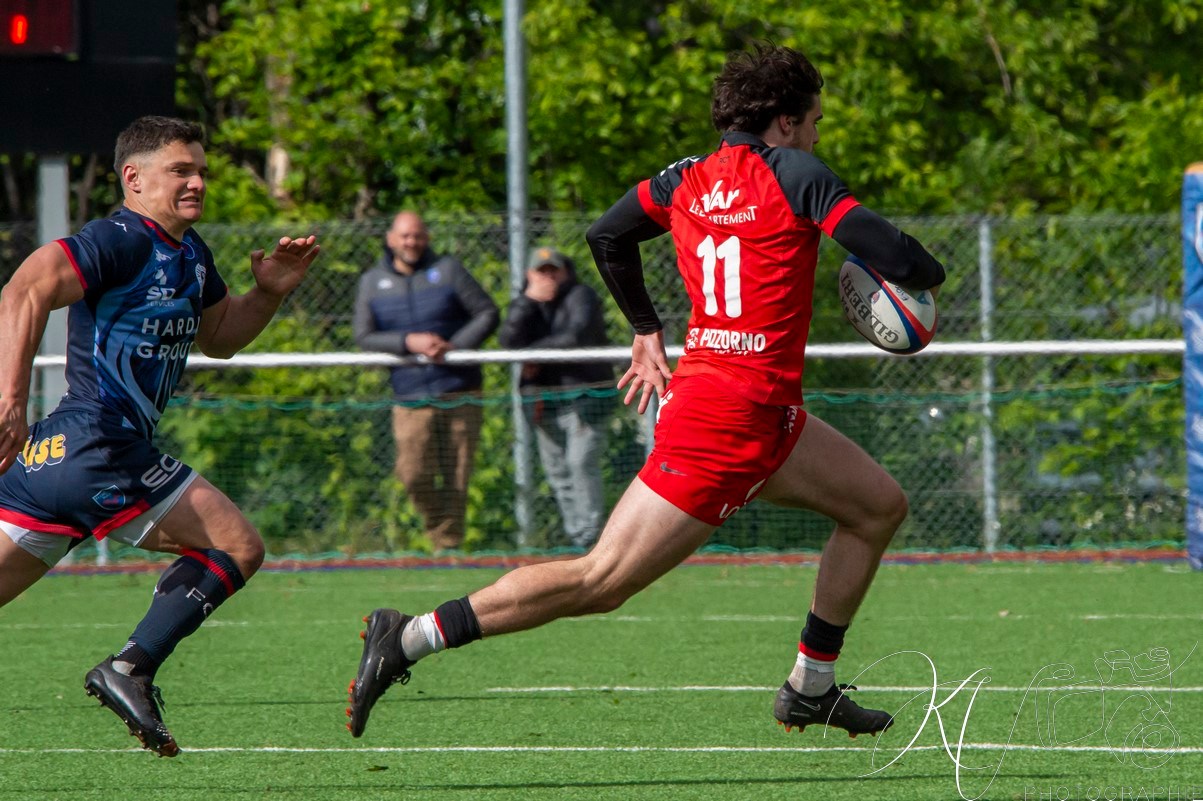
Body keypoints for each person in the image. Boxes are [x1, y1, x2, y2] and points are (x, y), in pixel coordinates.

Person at [345, 44, 945, 740]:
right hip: (723, 423)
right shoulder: (797, 173)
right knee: (601, 580)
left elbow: (608, 235)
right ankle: (409, 634)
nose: (815, 134)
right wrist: (926, 279)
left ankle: (809, 685)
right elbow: (901, 258)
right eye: (812, 120)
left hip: (762, 412)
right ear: (782, 122)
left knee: (876, 507)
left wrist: (644, 328)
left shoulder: (684, 179)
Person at [0, 115, 320, 756]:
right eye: (181, 170)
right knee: (237, 546)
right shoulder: (117, 238)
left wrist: (270, 294)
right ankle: (129, 668)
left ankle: (131, 668)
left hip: (62, 456)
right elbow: (25, 288)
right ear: (134, 178)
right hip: (100, 446)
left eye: (201, 169)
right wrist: (9, 401)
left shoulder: (191, 253)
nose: (197, 180)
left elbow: (222, 338)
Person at [353, 211, 499, 551]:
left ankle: (448, 546)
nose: (411, 242)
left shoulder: (449, 271)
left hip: (459, 388)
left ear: (426, 238)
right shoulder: (372, 282)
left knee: (457, 476)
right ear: (391, 239)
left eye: (417, 235)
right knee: (412, 474)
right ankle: (439, 531)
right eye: (405, 236)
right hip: (409, 394)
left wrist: (454, 347)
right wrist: (408, 342)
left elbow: (487, 312)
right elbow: (364, 336)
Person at [498, 246, 613, 549]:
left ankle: (591, 537)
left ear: (566, 271)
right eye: (541, 271)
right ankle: (578, 538)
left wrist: (535, 354)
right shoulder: (525, 303)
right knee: (558, 471)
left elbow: (575, 336)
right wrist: (527, 302)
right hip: (543, 400)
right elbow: (507, 340)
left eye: (554, 270)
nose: (548, 276)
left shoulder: (581, 295)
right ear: (529, 275)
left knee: (579, 462)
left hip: (584, 397)